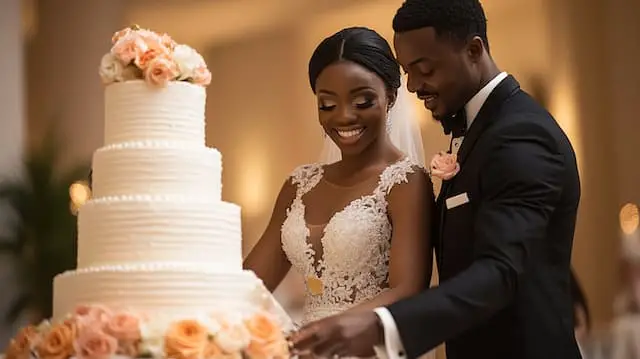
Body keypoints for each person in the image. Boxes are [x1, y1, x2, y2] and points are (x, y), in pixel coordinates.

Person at [291, 1, 582, 358]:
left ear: (473, 50)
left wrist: (381, 324)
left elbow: (501, 271)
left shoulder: (521, 134)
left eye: (424, 69)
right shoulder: (478, 129)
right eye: (407, 71)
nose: (412, 86)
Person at [242, 27, 435, 358]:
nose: (344, 116)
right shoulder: (299, 185)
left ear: (390, 96)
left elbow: (407, 289)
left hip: (367, 348)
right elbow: (249, 285)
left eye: (362, 100)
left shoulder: (405, 182)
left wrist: (320, 335)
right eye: (328, 104)